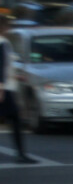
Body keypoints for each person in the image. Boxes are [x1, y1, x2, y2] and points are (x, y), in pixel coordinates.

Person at [0, 15, 35, 163]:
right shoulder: (2, 43)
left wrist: (17, 76)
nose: (9, 29)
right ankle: (21, 154)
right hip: (4, 89)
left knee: (15, 119)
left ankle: (21, 154)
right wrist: (1, 88)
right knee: (15, 119)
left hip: (6, 87)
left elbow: (7, 65)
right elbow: (0, 67)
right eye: (7, 26)